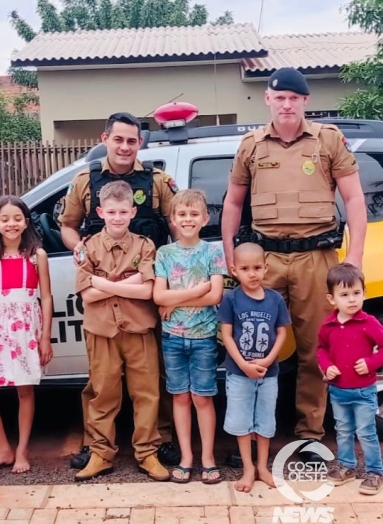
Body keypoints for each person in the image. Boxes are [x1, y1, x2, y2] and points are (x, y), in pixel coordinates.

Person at [221, 67, 367, 464]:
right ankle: (251, 440)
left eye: (294, 98)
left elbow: (354, 199)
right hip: (262, 261)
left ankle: (309, 438)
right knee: (255, 348)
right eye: (279, 97)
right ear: (268, 99)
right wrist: (229, 254)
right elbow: (233, 203)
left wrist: (353, 257)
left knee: (314, 350)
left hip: (315, 258)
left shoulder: (328, 142)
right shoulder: (251, 145)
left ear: (305, 101)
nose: (286, 104)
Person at [59, 112, 180, 469]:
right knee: (102, 383)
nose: (125, 146)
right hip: (103, 297)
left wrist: (170, 285)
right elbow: (68, 226)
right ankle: (97, 447)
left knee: (153, 378)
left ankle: (159, 443)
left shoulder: (157, 181)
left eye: (132, 140)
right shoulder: (85, 180)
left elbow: (178, 228)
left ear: (140, 143)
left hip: (146, 291)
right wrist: (80, 248)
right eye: (118, 139)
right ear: (105, 138)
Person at [74, 180, 169, 482]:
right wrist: (129, 284)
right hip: (101, 331)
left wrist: (102, 283)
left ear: (132, 211)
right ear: (101, 211)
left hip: (139, 330)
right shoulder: (86, 247)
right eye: (111, 212)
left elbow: (147, 291)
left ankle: (148, 452)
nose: (117, 217)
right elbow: (86, 296)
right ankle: (100, 453)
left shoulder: (145, 245)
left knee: (147, 392)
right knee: (102, 394)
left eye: (123, 212)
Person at [0, 195, 54, 474]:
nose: (11, 224)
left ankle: (21, 450)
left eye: (17, 218)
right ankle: (3, 448)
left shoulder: (37, 255)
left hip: (27, 330)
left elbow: (47, 297)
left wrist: (45, 337)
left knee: (25, 391)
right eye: (4, 219)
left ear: (26, 222)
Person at [153, 189, 225, 484]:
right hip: (172, 338)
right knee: (180, 397)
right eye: (182, 214)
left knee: (202, 398)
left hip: (204, 337)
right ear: (172, 219)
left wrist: (175, 300)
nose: (188, 219)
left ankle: (208, 457)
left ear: (205, 218)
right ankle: (186, 457)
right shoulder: (164, 253)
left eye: (194, 214)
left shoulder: (213, 252)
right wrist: (197, 291)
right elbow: (158, 295)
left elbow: (216, 295)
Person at [218, 243, 291, 493]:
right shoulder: (231, 299)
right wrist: (243, 364)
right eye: (245, 268)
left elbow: (281, 332)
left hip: (268, 373)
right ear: (234, 270)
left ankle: (262, 467)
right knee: (241, 421)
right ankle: (247, 468)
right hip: (239, 374)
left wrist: (269, 359)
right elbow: (226, 335)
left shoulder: (275, 299)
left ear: (266, 268)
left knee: (265, 421)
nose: (252, 273)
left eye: (257, 268)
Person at [317, 263, 383, 495]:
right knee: (343, 430)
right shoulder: (328, 325)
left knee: (366, 432)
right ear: (332, 298)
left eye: (357, 293)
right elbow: (321, 350)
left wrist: (372, 363)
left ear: (364, 293)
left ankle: (375, 472)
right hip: (338, 390)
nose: (352, 299)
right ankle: (347, 466)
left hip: (364, 391)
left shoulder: (370, 323)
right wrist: (327, 367)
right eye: (344, 295)